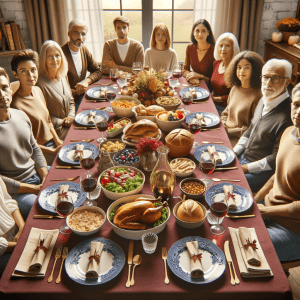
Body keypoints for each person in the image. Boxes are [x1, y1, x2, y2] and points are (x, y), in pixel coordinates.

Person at [254, 83, 300, 264]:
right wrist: (256, 199)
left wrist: (264, 211)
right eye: (296, 105)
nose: (298, 112)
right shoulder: (289, 132)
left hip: (291, 229)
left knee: (243, 248)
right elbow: (277, 175)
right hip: (268, 209)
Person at [234, 58, 293, 193]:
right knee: (217, 164)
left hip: (261, 172)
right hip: (244, 156)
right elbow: (250, 129)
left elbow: (274, 159)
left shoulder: (288, 116)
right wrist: (234, 152)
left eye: (275, 78)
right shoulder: (264, 99)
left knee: (229, 180)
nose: (268, 83)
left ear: (287, 82)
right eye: (265, 77)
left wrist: (245, 168)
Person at [0, 67, 48, 220]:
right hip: (17, 192)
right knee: (46, 207)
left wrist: (45, 176)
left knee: (71, 180)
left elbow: (34, 148)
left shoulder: (20, 115)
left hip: (37, 175)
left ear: (9, 87)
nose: (2, 95)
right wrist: (34, 189)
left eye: (4, 87)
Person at [10, 49, 63, 165]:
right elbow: (25, 143)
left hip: (53, 143)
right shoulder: (15, 105)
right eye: (24, 71)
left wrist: (58, 142)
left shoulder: (38, 90)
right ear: (15, 74)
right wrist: (52, 151)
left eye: (33, 70)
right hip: (39, 153)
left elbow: (48, 121)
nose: (30, 75)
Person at [221, 51, 264, 147]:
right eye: (239, 67)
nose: (242, 71)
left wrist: (229, 131)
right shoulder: (235, 88)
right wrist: (223, 126)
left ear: (255, 70)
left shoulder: (258, 95)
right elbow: (225, 112)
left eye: (247, 67)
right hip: (224, 133)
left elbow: (253, 129)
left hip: (240, 141)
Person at [37, 40, 75, 140]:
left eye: (57, 55)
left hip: (71, 124)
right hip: (56, 132)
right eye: (50, 56)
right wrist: (62, 122)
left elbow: (71, 100)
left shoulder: (62, 76)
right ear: (44, 59)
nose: (54, 59)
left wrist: (71, 117)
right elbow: (42, 117)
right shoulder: (39, 84)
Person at [61, 19, 102, 111]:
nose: (80, 37)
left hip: (83, 97)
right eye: (76, 33)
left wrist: (86, 81)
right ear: (69, 33)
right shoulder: (59, 54)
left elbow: (97, 70)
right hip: (68, 103)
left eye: (83, 34)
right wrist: (76, 92)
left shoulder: (84, 50)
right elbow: (57, 85)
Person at [0, 177, 24, 277]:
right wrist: (20, 246)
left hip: (15, 229)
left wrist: (22, 228)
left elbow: (7, 202)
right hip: (3, 251)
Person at [211, 32, 240, 115]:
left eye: (227, 46)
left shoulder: (236, 69)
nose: (223, 49)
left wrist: (213, 99)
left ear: (233, 49)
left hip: (226, 109)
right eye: (221, 45)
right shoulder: (216, 63)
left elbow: (236, 95)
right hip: (213, 103)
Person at [183, 19, 215, 88]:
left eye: (204, 31)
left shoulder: (214, 51)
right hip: (194, 85)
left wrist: (200, 76)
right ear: (193, 32)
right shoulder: (190, 47)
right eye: (197, 31)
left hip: (208, 87)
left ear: (208, 33)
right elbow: (185, 69)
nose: (200, 34)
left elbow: (215, 80)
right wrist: (192, 77)